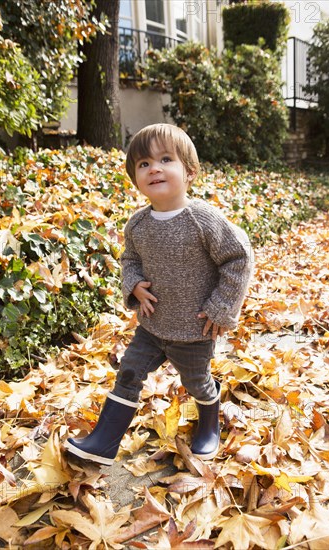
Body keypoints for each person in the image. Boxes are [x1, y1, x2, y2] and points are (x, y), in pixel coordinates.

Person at [65, 123, 253, 465]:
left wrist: (221, 307)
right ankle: (104, 441)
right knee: (129, 372)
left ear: (190, 171)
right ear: (135, 178)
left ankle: (210, 423)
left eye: (165, 159)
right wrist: (133, 284)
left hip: (194, 330)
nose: (154, 168)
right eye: (143, 164)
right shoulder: (137, 224)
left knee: (197, 382)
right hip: (151, 327)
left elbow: (238, 257)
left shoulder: (202, 219)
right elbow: (130, 259)